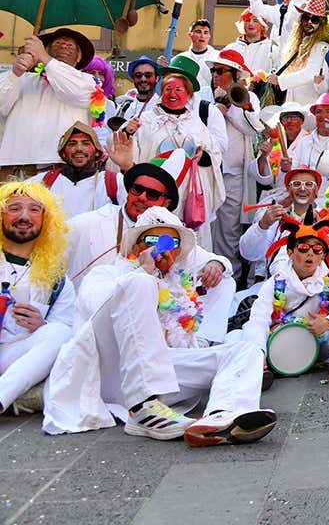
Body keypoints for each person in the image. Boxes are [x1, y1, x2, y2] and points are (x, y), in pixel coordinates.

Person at [43, 207, 276, 446]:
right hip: (113, 375)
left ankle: (223, 416)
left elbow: (218, 264)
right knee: (140, 283)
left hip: (164, 372)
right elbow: (94, 308)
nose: (160, 248)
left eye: (169, 242)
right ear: (135, 247)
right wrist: (144, 272)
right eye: (152, 240)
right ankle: (141, 407)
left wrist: (216, 263)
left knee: (247, 350)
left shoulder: (178, 285)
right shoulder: (105, 274)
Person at [241, 216, 329, 388]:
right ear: (290, 253)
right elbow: (258, 319)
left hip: (319, 344)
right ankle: (259, 367)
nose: (310, 254)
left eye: (317, 250)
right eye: (304, 248)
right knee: (245, 331)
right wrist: (260, 353)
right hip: (278, 347)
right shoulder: (276, 282)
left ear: (322, 257)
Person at [122, 56, 226, 250]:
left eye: (179, 89)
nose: (173, 93)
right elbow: (126, 155)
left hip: (188, 197)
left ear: (188, 95)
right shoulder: (145, 121)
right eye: (168, 89)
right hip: (153, 196)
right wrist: (127, 132)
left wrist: (202, 157)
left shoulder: (196, 124)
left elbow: (215, 155)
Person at [0, 182, 75, 415]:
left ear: (46, 219)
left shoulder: (58, 281)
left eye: (34, 209)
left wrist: (41, 326)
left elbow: (66, 335)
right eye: (14, 208)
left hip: (13, 358)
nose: (24, 216)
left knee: (59, 332)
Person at [0, 29, 98, 174]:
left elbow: (75, 92)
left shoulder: (87, 81)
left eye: (70, 46)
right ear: (47, 49)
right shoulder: (23, 79)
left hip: (60, 170)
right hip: (15, 168)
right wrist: (14, 73)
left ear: (79, 57)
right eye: (58, 43)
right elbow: (2, 106)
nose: (64, 46)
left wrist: (45, 58)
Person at [206, 49, 264, 266]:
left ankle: (228, 275)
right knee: (205, 225)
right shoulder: (204, 95)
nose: (216, 75)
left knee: (228, 230)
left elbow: (253, 128)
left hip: (233, 174)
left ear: (236, 75)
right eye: (214, 70)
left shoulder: (251, 98)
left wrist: (229, 106)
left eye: (221, 71)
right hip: (207, 171)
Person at [240, 167, 324, 284]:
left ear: (317, 190)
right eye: (296, 184)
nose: (302, 188)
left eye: (309, 184)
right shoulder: (275, 217)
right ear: (288, 189)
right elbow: (248, 253)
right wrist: (262, 225)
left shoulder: (326, 219)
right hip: (273, 286)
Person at [36, 122, 120, 217]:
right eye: (72, 144)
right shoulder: (43, 181)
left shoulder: (113, 181)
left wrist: (127, 166)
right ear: (63, 153)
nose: (79, 148)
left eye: (86, 143)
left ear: (97, 152)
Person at [271, 0, 329, 108]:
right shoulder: (298, 43)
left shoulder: (321, 46)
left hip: (309, 107)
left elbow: (311, 73)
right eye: (305, 18)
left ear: (322, 23)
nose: (309, 22)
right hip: (292, 106)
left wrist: (280, 80)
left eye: (314, 19)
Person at [113, 56, 160, 128]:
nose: (143, 79)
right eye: (138, 75)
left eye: (148, 75)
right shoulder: (124, 106)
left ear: (157, 78)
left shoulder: (162, 106)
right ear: (133, 79)